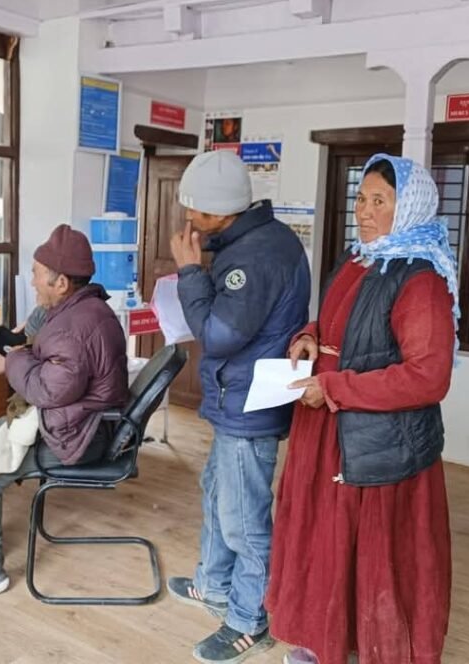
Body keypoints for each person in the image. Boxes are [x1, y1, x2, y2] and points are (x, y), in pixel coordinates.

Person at [266, 154, 458, 664]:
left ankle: (374, 650)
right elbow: (336, 325)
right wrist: (309, 337)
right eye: (361, 198)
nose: (365, 211)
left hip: (374, 444)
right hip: (325, 426)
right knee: (321, 538)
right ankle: (324, 641)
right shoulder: (358, 259)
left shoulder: (420, 279)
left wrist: (335, 386)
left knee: (367, 551)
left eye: (380, 201)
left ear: (409, 208)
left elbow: (428, 377)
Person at [0, 224, 128, 602]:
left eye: (36, 274)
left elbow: (43, 388)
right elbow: (17, 344)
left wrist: (15, 356)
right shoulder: (64, 309)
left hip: (78, 436)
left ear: (61, 282)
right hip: (70, 421)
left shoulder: (74, 328)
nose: (32, 281)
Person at [167, 150, 311, 664]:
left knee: (244, 519)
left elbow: (220, 335)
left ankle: (250, 619)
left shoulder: (254, 257)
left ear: (221, 213)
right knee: (217, 493)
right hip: (240, 398)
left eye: (195, 211)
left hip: (250, 405)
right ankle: (213, 584)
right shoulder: (255, 240)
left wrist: (190, 272)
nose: (189, 219)